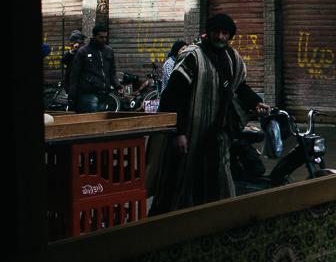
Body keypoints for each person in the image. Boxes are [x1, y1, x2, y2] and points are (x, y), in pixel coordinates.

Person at [146, 13, 269, 213]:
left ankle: (215, 225)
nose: (220, 36)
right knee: (175, 188)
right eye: (216, 31)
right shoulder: (192, 57)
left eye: (225, 33)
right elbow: (172, 97)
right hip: (187, 139)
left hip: (217, 137)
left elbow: (240, 87)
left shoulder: (233, 58)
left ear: (230, 36)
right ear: (209, 32)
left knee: (219, 188)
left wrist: (256, 104)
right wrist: (178, 133)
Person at [67, 24, 122, 113]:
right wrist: (72, 94)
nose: (103, 39)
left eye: (105, 37)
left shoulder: (108, 51)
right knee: (94, 116)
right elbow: (75, 74)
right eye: (100, 37)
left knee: (100, 117)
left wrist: (117, 86)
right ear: (94, 36)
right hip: (88, 92)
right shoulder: (83, 51)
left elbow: (112, 71)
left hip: (104, 92)